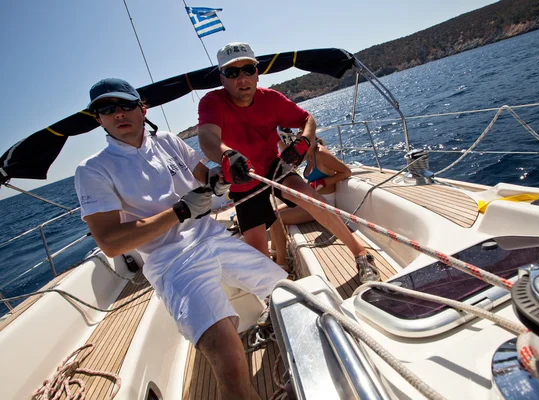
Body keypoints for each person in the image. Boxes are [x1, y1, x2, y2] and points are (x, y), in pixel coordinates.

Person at [74, 78, 287, 400]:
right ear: (97, 119)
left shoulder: (169, 141)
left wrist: (223, 172)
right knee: (228, 359)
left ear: (142, 108)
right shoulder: (92, 170)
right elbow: (111, 242)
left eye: (125, 105)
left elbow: (204, 175)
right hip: (172, 262)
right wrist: (179, 212)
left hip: (214, 238)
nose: (118, 113)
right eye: (106, 108)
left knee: (291, 295)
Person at [197, 42, 380, 283]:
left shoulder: (271, 99)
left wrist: (305, 140)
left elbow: (307, 119)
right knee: (257, 250)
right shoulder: (212, 102)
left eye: (248, 70)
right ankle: (274, 294)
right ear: (222, 77)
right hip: (243, 178)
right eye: (232, 73)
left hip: (273, 167)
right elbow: (207, 136)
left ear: (257, 72)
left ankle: (362, 255)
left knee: (314, 201)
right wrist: (226, 154)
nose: (242, 78)